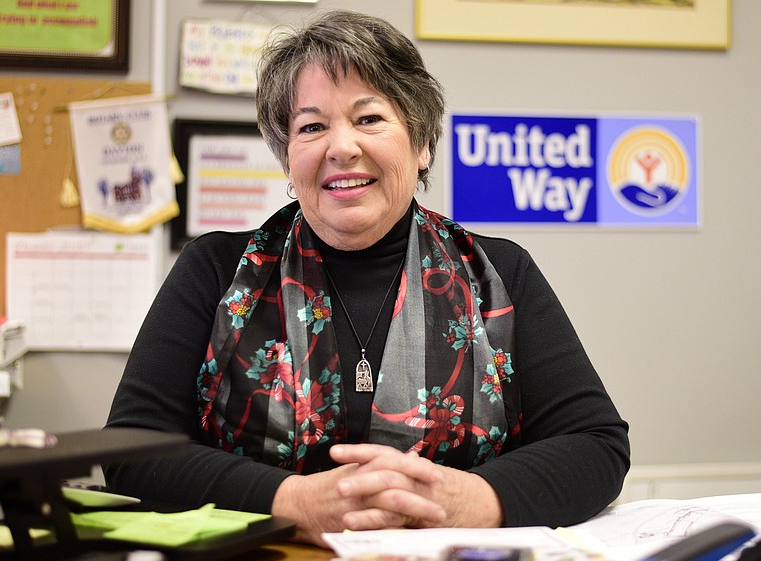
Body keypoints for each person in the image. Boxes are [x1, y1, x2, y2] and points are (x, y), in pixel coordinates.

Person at [104, 10, 630, 547]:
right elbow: (131, 450)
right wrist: (293, 504)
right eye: (311, 126)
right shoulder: (215, 270)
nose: (341, 147)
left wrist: (468, 501)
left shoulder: (499, 274)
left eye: (369, 118)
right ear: (288, 157)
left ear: (421, 144)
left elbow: (596, 444)